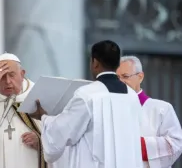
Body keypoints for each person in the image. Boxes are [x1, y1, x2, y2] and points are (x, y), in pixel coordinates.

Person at [29, 40, 143, 168]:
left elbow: (64, 130)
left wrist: (44, 118)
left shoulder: (88, 94)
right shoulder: (132, 95)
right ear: (117, 64)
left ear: (95, 63)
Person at [117, 55, 182, 168]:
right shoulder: (109, 108)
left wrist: (136, 145)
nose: (121, 82)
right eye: (117, 78)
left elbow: (175, 144)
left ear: (140, 77)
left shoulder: (162, 109)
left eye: (125, 76)